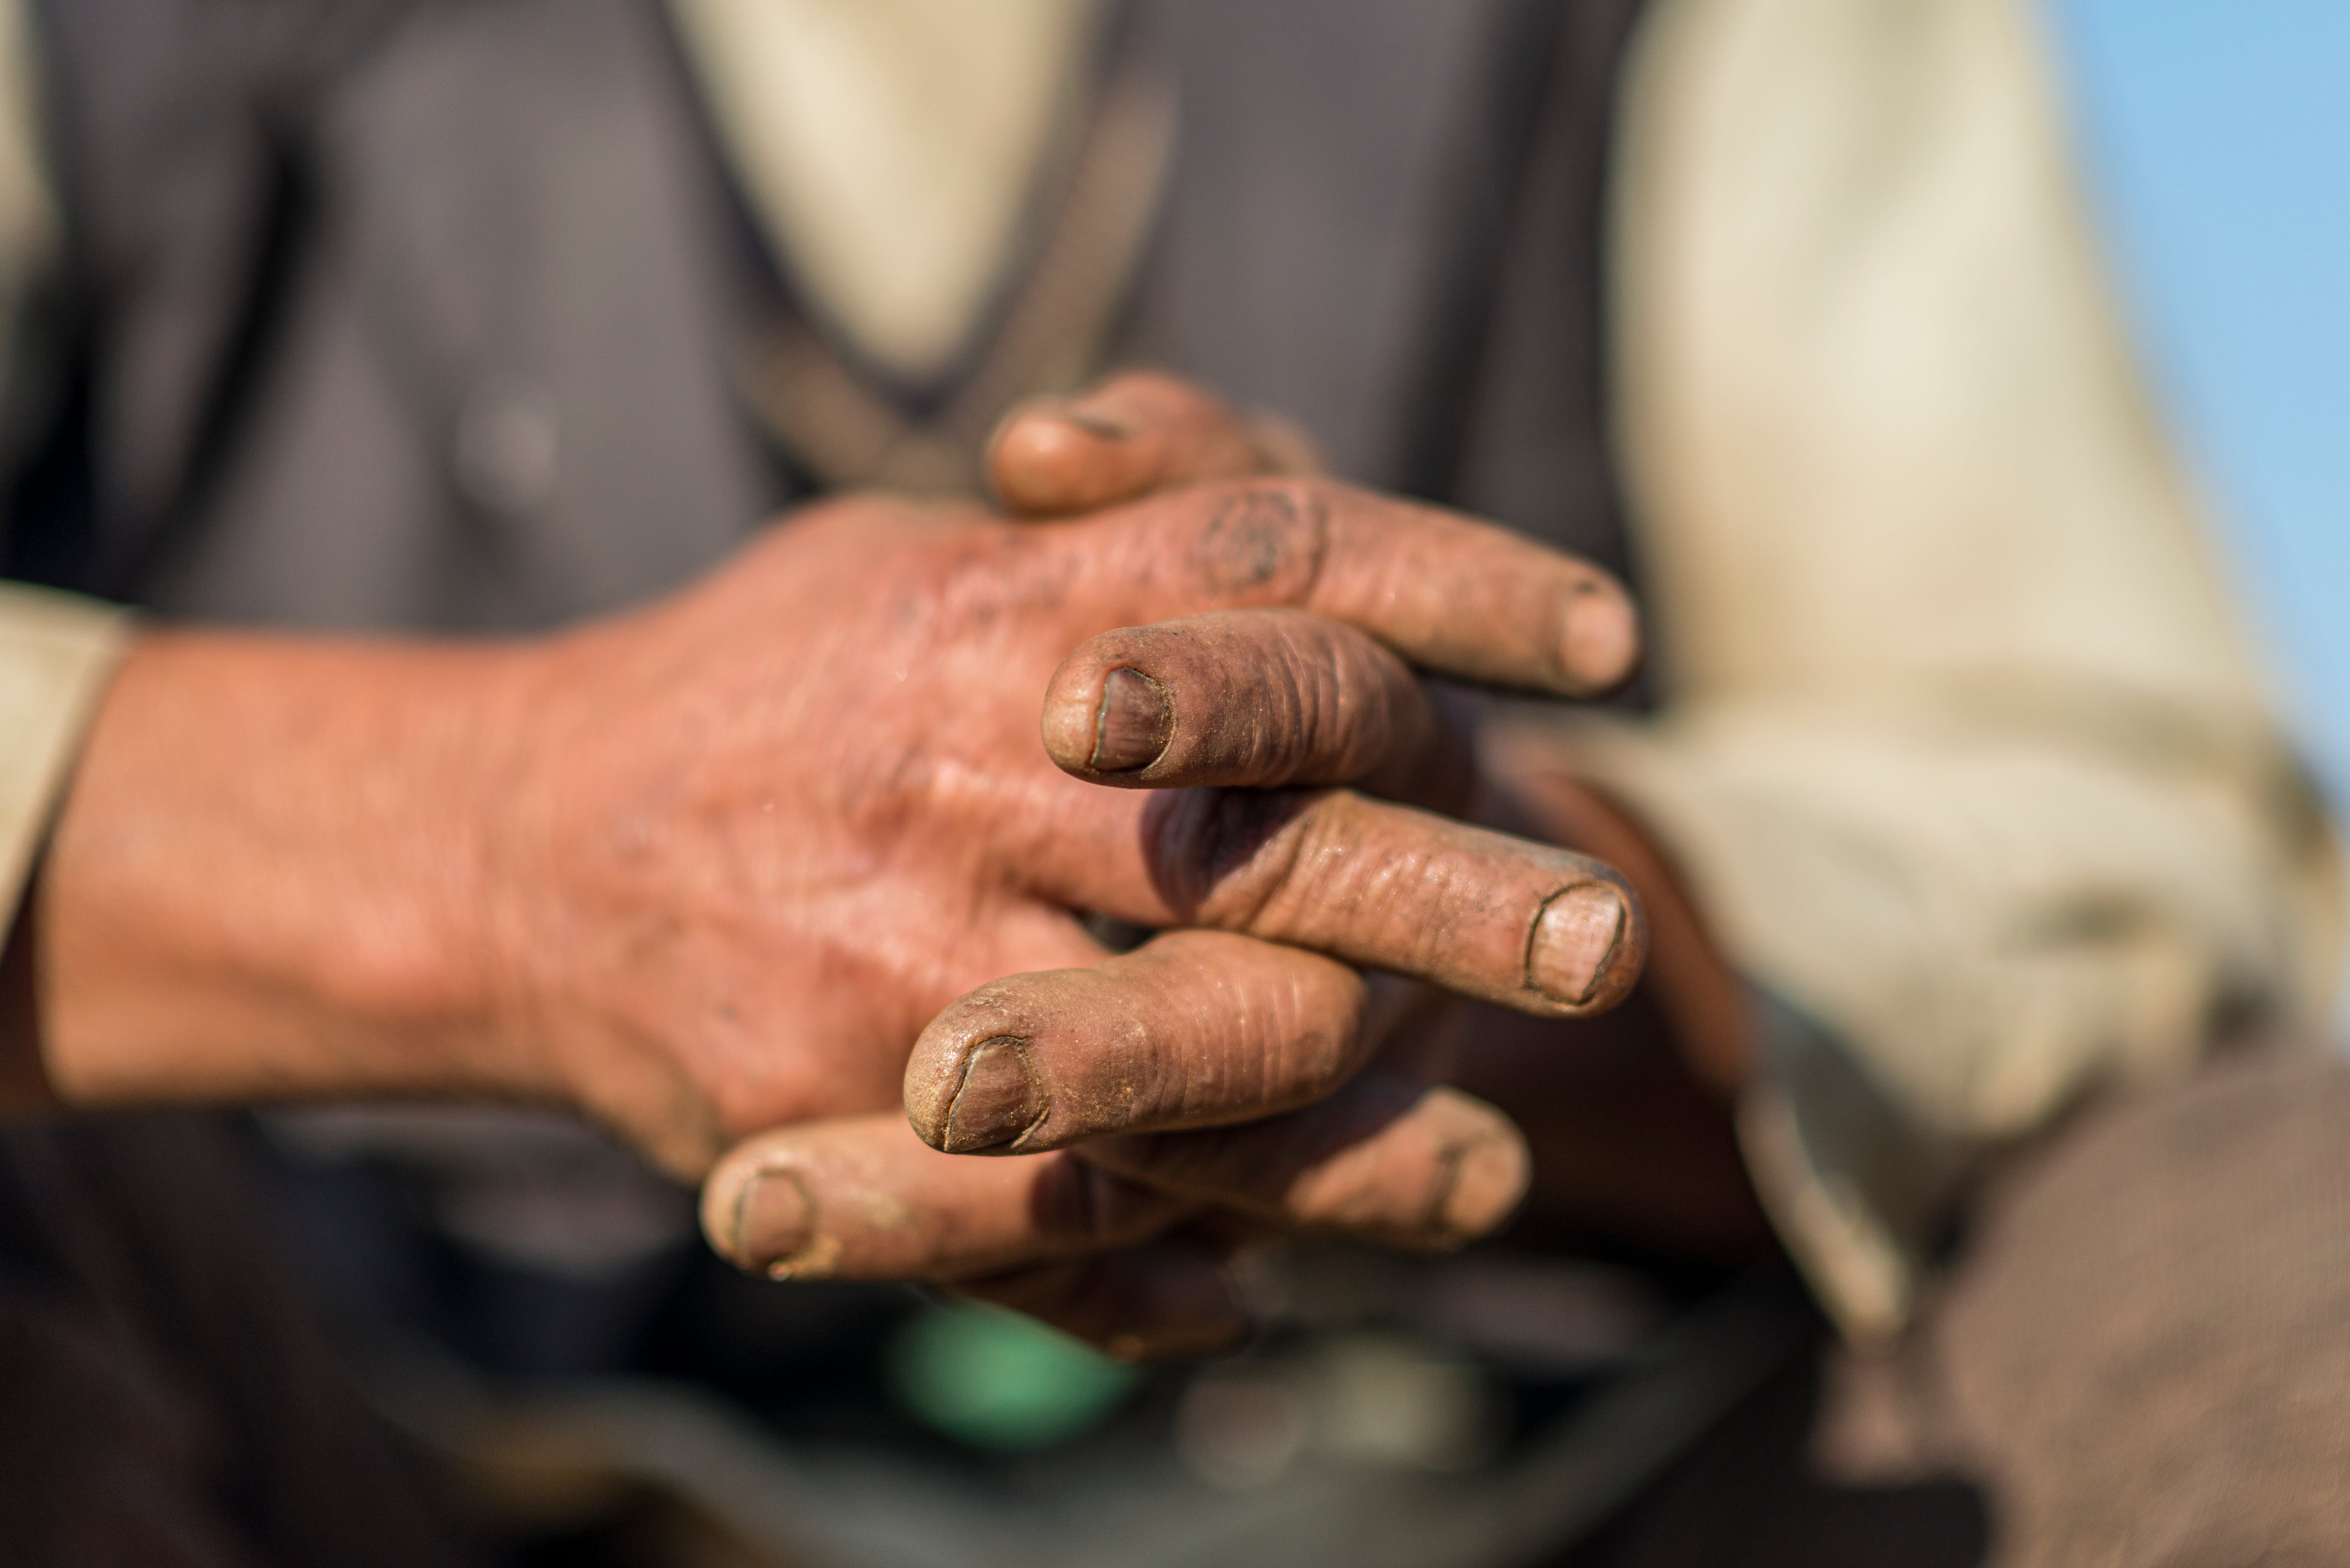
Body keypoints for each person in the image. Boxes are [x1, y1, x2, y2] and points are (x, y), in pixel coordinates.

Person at [0, 0, 2339, 1563]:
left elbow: (2109, 810)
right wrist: (517, 849)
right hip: (350, 1433)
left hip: (1537, 1474)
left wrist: (1455, 906)